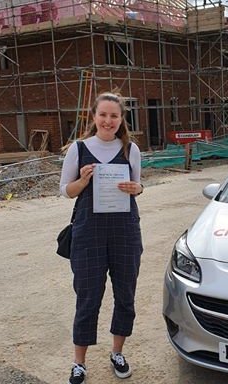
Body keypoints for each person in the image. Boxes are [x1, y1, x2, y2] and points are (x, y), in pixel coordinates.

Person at [59, 91, 144, 384]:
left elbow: (139, 185)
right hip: (88, 233)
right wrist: (83, 180)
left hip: (125, 230)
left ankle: (117, 352)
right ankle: (79, 362)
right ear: (93, 116)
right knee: (88, 297)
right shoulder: (78, 149)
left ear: (121, 119)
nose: (108, 121)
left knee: (125, 295)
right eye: (103, 115)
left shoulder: (130, 149)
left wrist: (137, 189)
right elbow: (65, 190)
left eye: (114, 116)